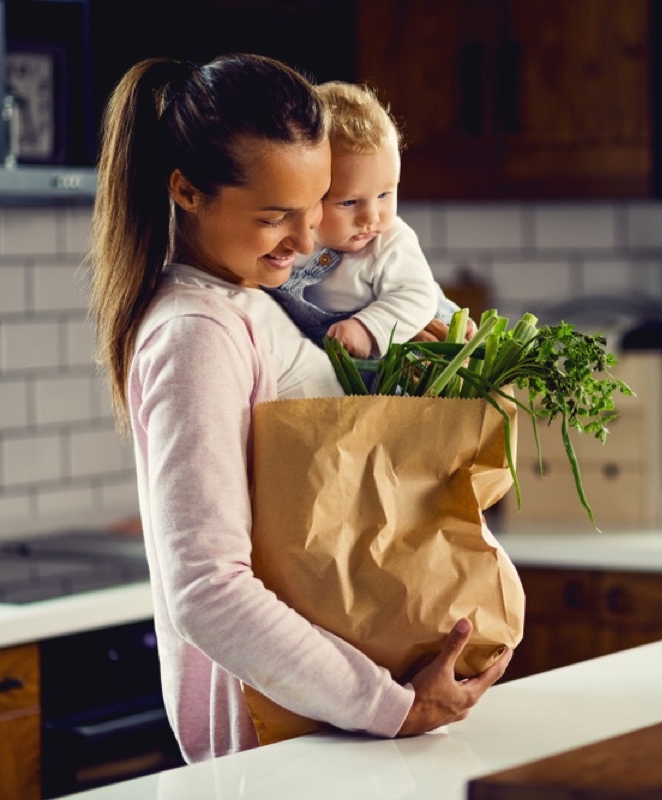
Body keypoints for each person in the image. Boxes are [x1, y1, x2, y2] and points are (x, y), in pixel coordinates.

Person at [86, 53, 511, 764]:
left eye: (315, 206)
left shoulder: (260, 305)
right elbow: (208, 591)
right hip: (280, 743)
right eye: (275, 215)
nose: (310, 241)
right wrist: (392, 706)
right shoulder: (196, 333)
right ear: (186, 192)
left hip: (334, 732)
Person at [266, 80, 469, 357]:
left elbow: (416, 296)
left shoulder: (390, 241)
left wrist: (366, 328)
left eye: (385, 194)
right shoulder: (289, 248)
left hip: (410, 354)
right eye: (349, 202)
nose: (371, 217)